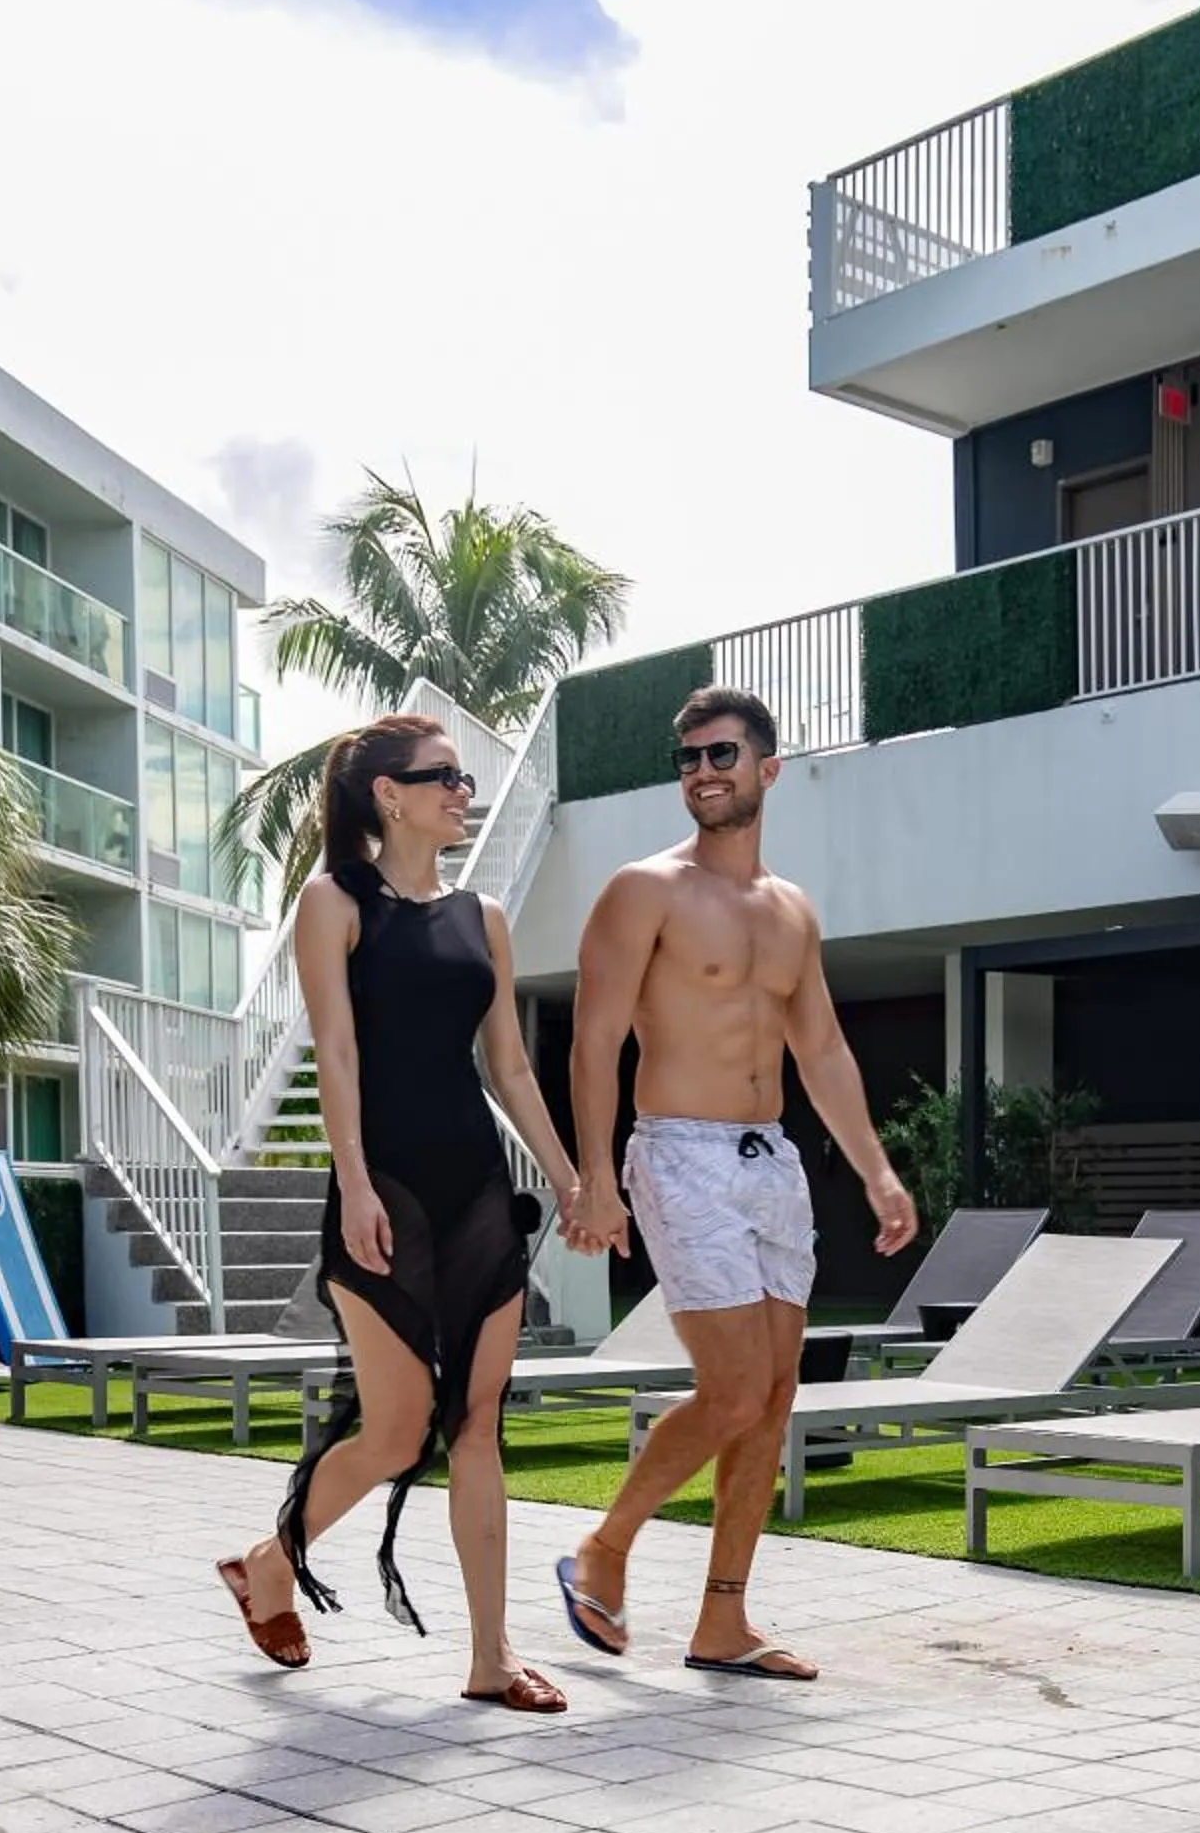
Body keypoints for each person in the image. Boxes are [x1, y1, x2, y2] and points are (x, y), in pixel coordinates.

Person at [218, 711, 581, 1713]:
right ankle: (266, 1561)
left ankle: (489, 1657)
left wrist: (568, 1176)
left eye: (465, 780)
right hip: (384, 1192)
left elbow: (506, 1065)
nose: (463, 793)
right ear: (388, 792)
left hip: (473, 1193)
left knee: (475, 1426)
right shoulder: (334, 903)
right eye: (445, 778)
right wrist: (357, 1180)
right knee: (392, 1433)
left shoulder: (485, 919)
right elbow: (335, 1051)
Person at [557, 684, 917, 1683]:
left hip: (771, 1159)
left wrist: (876, 1169)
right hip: (676, 1151)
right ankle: (604, 1547)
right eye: (687, 760)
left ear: (767, 768)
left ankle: (723, 1620)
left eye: (720, 756)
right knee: (731, 1388)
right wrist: (595, 1175)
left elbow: (824, 1048)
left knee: (771, 1397)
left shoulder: (790, 909)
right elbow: (592, 1039)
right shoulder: (645, 890)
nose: (701, 774)